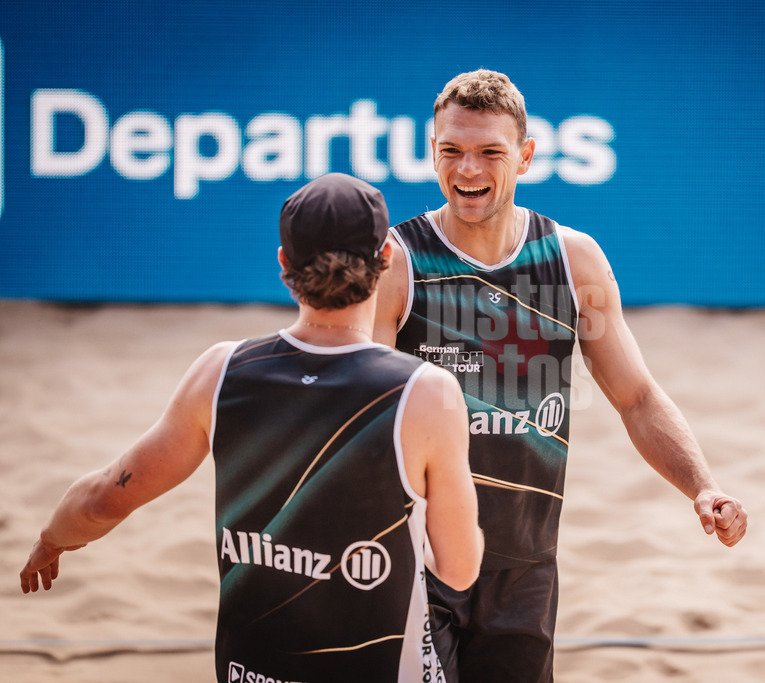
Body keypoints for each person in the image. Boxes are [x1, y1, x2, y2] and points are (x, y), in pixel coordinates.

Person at [20, 173, 484, 683]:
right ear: (387, 260)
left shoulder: (222, 372)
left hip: (252, 672)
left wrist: (52, 539)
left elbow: (104, 498)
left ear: (284, 263)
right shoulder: (425, 391)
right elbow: (459, 569)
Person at [373, 70, 749, 682]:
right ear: (431, 151)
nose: (467, 170)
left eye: (489, 152)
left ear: (525, 156)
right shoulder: (400, 262)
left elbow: (637, 398)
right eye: (452, 151)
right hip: (420, 561)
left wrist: (703, 487)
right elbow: (358, 415)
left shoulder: (572, 261)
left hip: (526, 567)